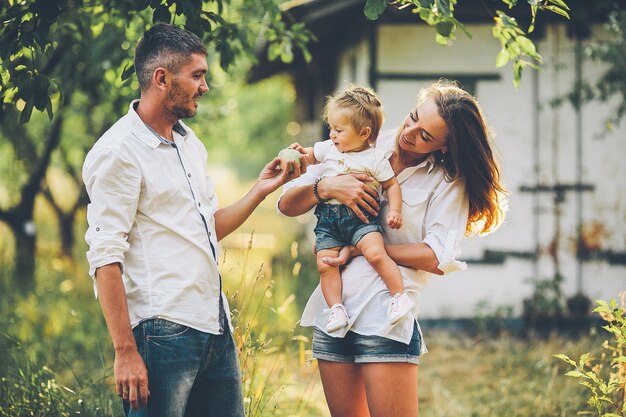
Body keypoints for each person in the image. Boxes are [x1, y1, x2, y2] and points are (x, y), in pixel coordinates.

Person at [82, 23, 304, 417]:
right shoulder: (119, 152)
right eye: (197, 76)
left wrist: (260, 189)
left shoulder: (188, 142)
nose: (205, 87)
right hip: (161, 331)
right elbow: (104, 257)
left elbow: (207, 229)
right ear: (162, 78)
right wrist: (125, 351)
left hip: (213, 324)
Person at [278, 80, 508, 417]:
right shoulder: (361, 140)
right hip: (334, 314)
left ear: (444, 147)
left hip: (384, 318)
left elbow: (435, 257)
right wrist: (325, 186)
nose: (410, 132)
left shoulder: (447, 183)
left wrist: (362, 250)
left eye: (426, 135)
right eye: (413, 117)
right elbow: (286, 204)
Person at [289, 85, 413, 333]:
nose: (332, 135)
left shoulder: (375, 158)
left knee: (376, 254)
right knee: (325, 264)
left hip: (361, 220)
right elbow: (312, 155)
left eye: (338, 130)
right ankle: (336, 309)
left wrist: (395, 211)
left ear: (364, 132)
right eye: (331, 128)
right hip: (329, 221)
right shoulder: (329, 148)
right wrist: (301, 154)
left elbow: (391, 185)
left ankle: (398, 297)